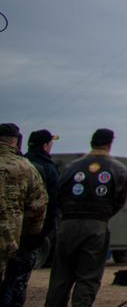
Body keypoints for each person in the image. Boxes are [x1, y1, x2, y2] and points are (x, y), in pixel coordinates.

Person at [44, 127, 127, 307]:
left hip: (68, 223)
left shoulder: (72, 166)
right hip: (96, 225)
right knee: (88, 277)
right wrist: (101, 216)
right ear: (110, 144)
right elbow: (120, 200)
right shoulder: (118, 169)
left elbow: (58, 195)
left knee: (61, 276)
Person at [2, 128, 59, 307]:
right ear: (14, 142)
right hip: (11, 240)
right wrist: (34, 238)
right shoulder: (27, 168)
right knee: (9, 288)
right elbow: (39, 206)